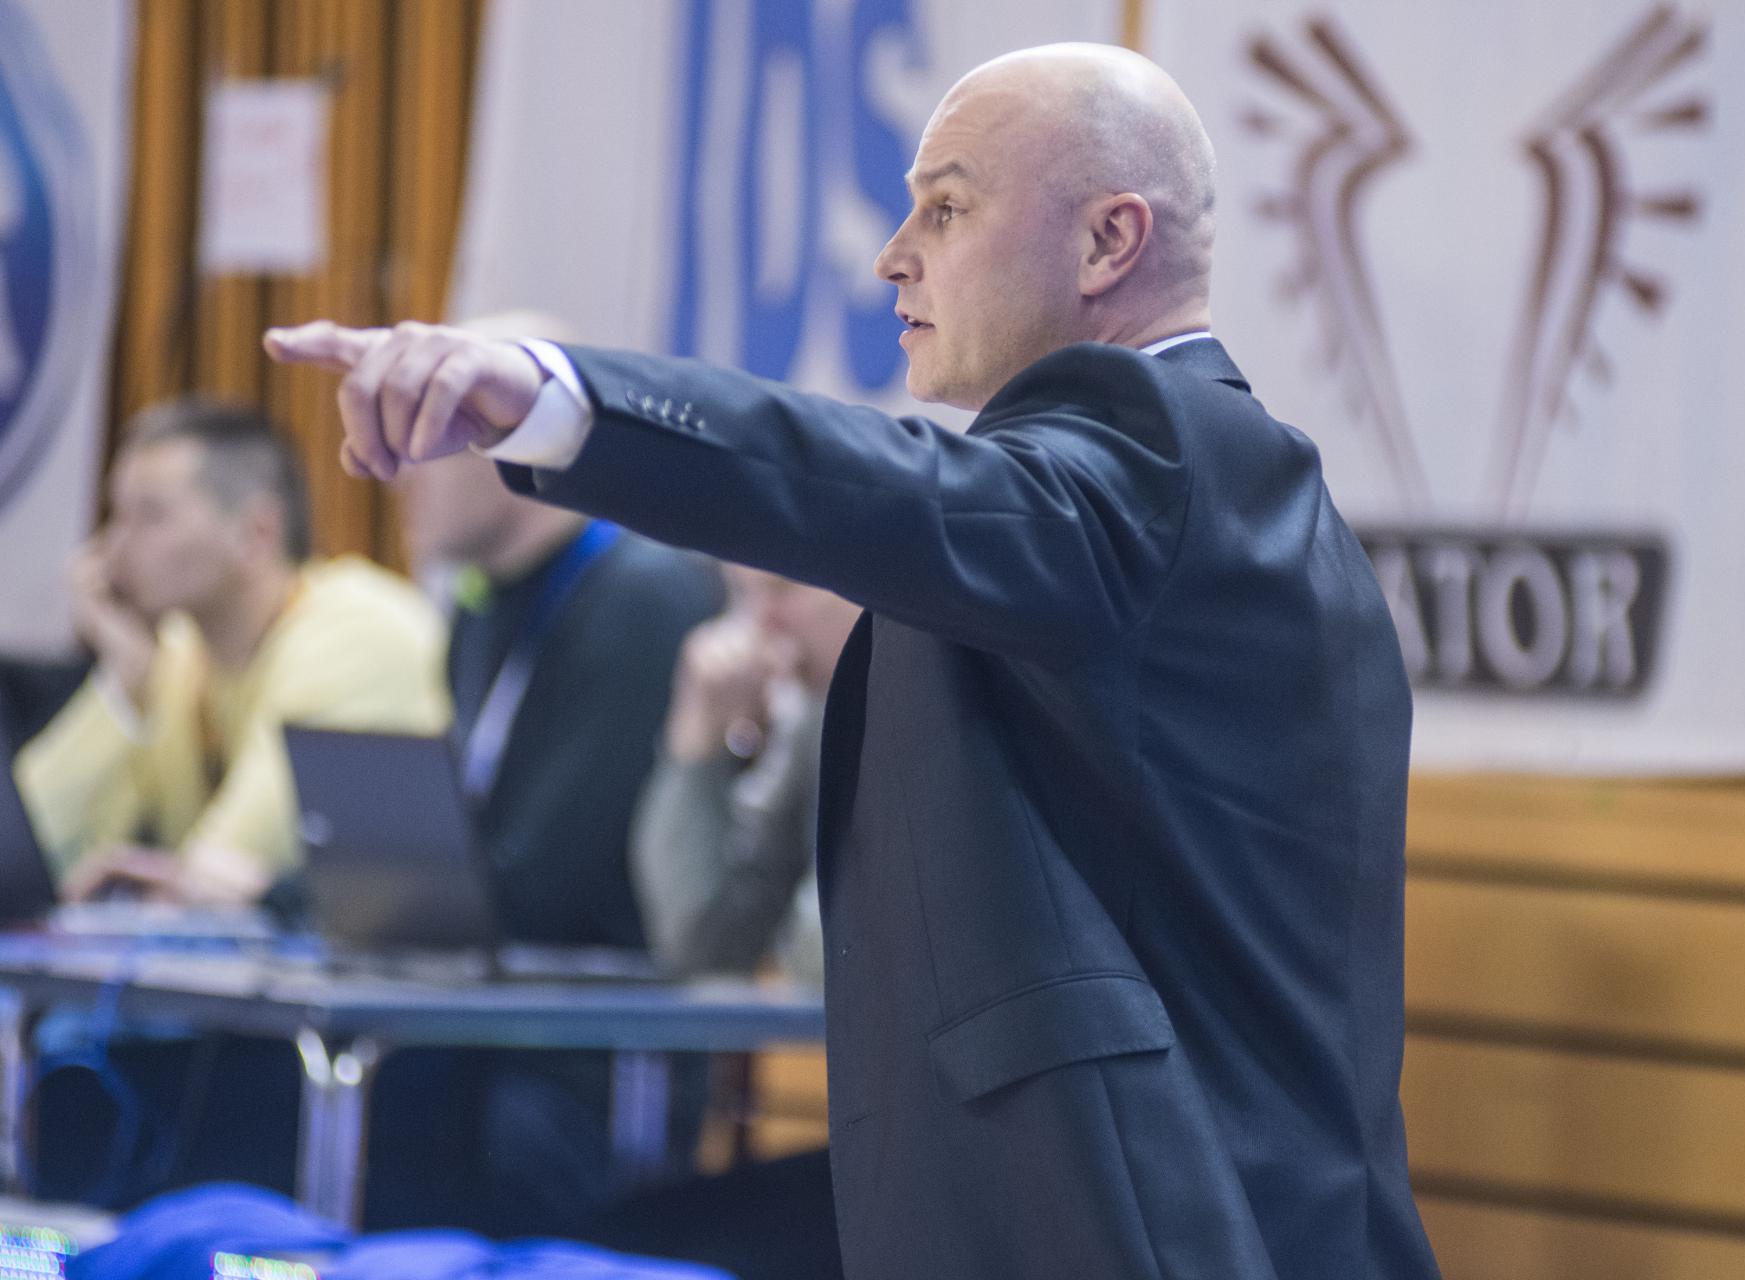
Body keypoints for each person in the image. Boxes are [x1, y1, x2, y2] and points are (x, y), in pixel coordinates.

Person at [268, 41, 1441, 1280]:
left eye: (946, 207)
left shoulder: (1166, 449)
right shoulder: (1144, 499)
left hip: (1177, 1228)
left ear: (1109, 241)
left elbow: (888, 487)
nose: (893, 254)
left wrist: (562, 401)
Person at [360, 414, 721, 1238]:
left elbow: (554, 880)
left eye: (423, 453)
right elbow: (473, 841)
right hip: (478, 1029)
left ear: (509, 452)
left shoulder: (644, 596)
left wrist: (384, 897)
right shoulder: (477, 610)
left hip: (591, 1055)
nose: (401, 480)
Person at [13, 398, 447, 906]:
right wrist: (123, 680)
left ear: (257, 533)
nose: (111, 547)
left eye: (150, 515)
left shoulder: (359, 632)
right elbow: (29, 852)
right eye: (116, 515)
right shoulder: (176, 656)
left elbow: (231, 866)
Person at [635, 565, 856, 987]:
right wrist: (697, 749)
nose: (761, 623)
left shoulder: (934, 713)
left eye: (784, 586)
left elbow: (827, 962)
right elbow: (704, 946)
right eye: (744, 594)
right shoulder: (812, 723)